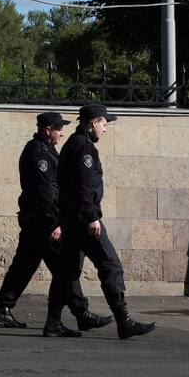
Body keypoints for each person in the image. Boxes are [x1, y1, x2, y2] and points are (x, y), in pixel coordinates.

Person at [0, 112, 113, 337]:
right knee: (64, 268)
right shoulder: (38, 154)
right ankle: (81, 313)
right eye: (58, 129)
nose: (62, 132)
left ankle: (4, 308)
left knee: (24, 264)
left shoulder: (44, 150)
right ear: (48, 129)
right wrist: (54, 223)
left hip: (35, 220)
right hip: (43, 222)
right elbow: (45, 193)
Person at [57, 103, 156, 340]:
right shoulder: (84, 148)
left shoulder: (73, 142)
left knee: (68, 271)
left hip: (70, 217)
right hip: (83, 219)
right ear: (93, 122)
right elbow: (83, 186)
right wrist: (92, 217)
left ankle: (53, 321)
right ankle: (124, 322)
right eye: (104, 122)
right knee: (110, 265)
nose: (106, 128)